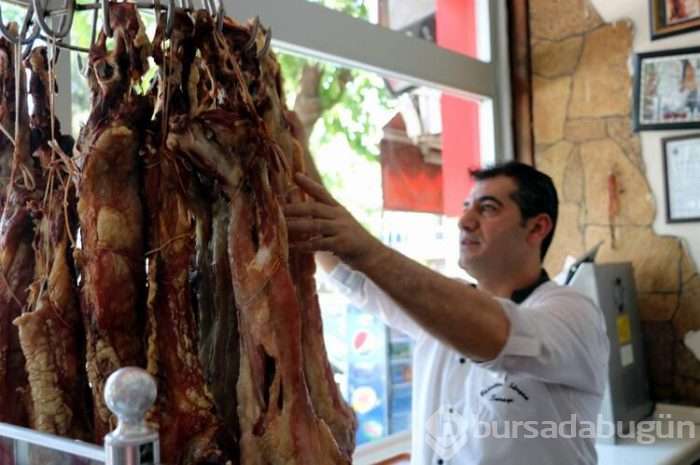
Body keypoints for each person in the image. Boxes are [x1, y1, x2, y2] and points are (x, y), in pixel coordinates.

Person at [283, 112, 609, 464]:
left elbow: (499, 335)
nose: (465, 221)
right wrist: (295, 152)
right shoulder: (438, 303)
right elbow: (351, 273)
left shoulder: (574, 313)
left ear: (536, 228)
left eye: (487, 209)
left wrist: (368, 249)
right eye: (467, 207)